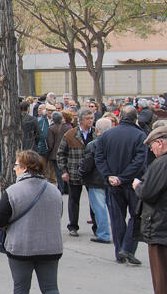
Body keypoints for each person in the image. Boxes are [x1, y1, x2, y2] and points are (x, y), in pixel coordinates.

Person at [0, 150, 65, 294]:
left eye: (16, 165)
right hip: (51, 246)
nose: (15, 168)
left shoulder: (13, 191)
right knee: (50, 287)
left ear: (24, 168)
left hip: (21, 246)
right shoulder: (53, 190)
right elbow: (58, 214)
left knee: (21, 286)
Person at [94, 105, 148, 265]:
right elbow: (139, 161)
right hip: (132, 183)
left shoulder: (107, 135)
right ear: (135, 118)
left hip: (114, 183)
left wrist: (110, 176)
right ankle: (128, 248)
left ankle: (120, 251)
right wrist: (122, 177)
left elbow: (99, 158)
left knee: (117, 217)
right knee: (136, 216)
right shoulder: (140, 135)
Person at [135, 125, 167, 294]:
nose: (152, 150)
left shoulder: (161, 164)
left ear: (160, 143)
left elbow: (148, 193)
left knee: (161, 278)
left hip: (160, 227)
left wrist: (137, 186)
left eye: (153, 146)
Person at [56, 108, 95, 237]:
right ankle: (73, 226)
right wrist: (64, 171)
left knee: (94, 200)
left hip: (92, 173)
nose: (91, 121)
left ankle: (97, 225)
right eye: (88, 118)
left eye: (92, 118)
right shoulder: (70, 134)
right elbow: (61, 153)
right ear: (81, 120)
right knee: (74, 199)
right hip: (74, 172)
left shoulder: (96, 133)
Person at [79, 117, 113, 244]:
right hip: (111, 179)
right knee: (113, 208)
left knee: (99, 209)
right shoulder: (114, 143)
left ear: (97, 130)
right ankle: (116, 232)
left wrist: (81, 173)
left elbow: (88, 164)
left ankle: (103, 234)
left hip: (96, 179)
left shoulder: (93, 144)